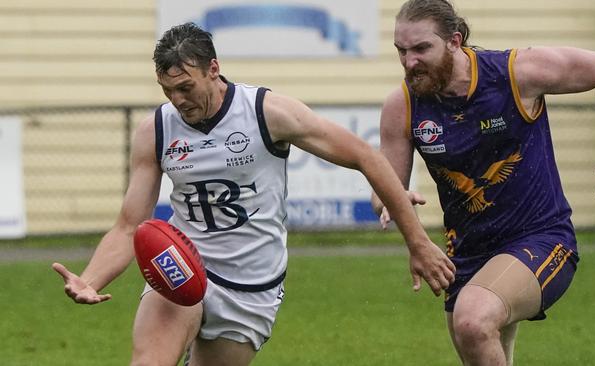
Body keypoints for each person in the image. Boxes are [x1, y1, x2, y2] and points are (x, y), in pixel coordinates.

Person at [51, 22, 455, 366]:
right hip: (184, 265)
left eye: (186, 87)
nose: (177, 99)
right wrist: (90, 279)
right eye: (167, 89)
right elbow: (128, 226)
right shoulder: (156, 130)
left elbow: (367, 157)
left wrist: (417, 242)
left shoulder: (267, 112)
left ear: (214, 68)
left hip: (252, 287)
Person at [370, 0, 595, 365]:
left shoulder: (514, 73)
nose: (409, 62)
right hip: (465, 256)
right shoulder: (402, 105)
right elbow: (384, 189)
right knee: (479, 339)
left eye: (421, 49)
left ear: (454, 40)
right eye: (401, 51)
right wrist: (392, 200)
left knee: (473, 320)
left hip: (540, 239)